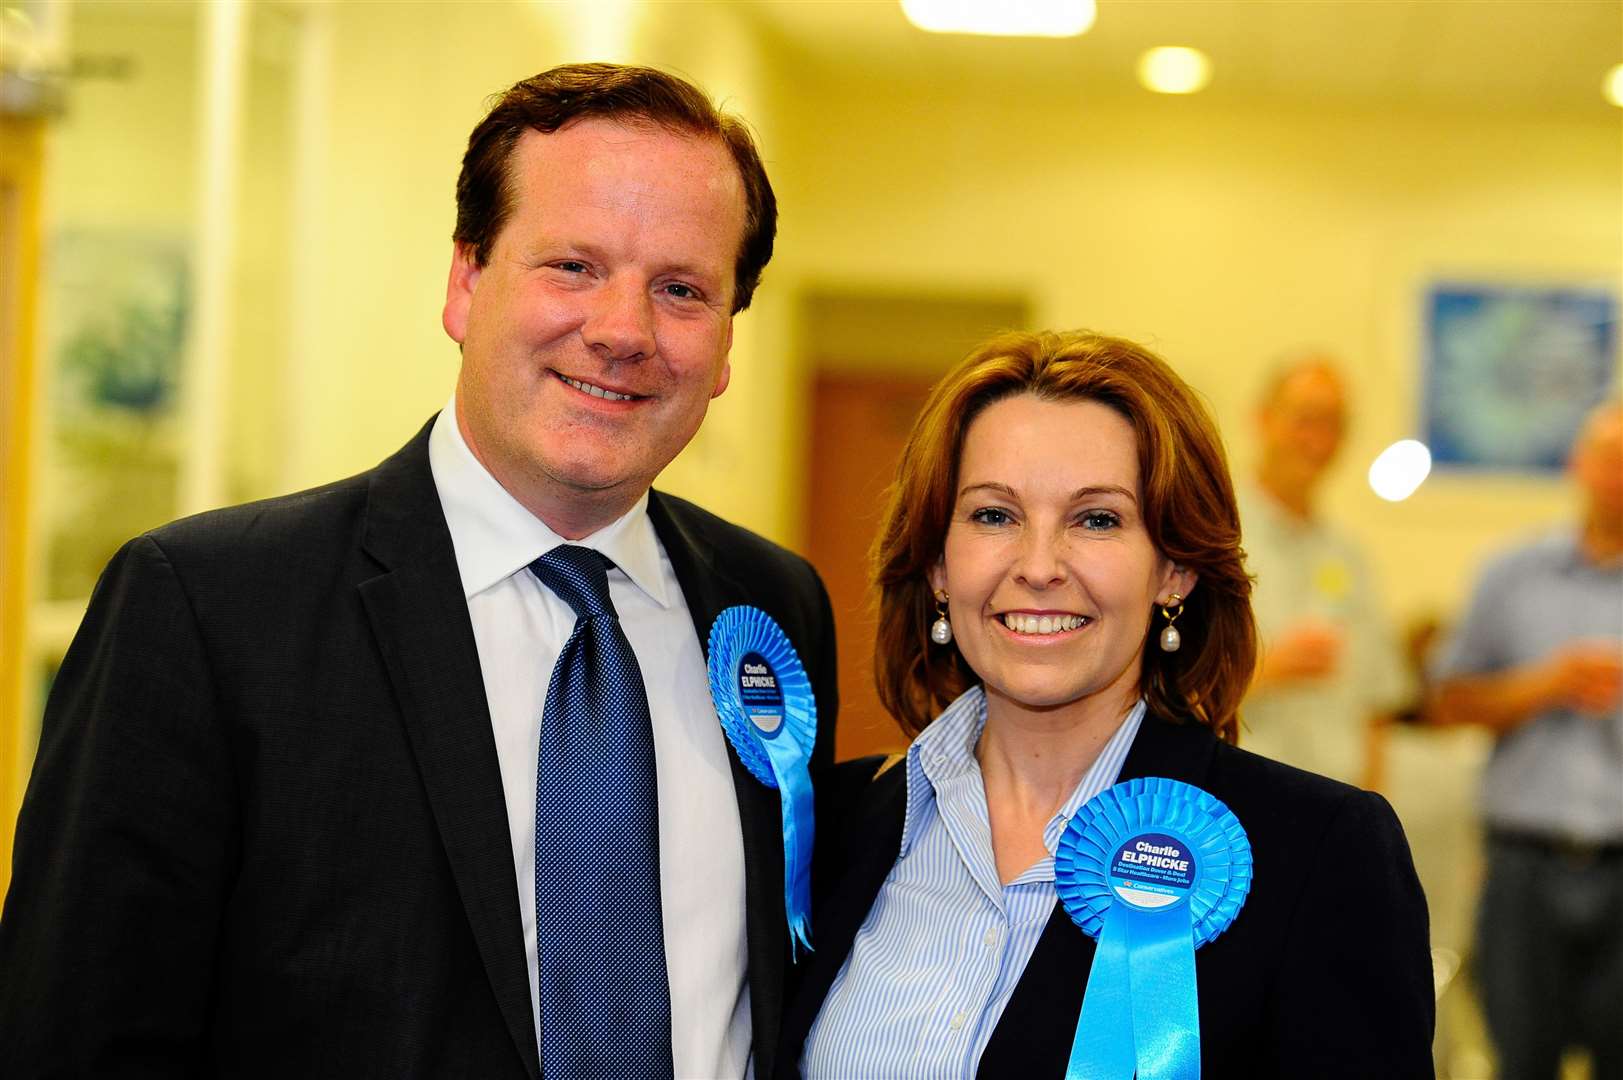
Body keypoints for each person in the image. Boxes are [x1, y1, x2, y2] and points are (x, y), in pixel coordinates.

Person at [0, 64, 837, 1079]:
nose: (623, 331)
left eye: (681, 289)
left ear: (726, 343)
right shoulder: (208, 612)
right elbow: (76, 1038)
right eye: (572, 266)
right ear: (465, 282)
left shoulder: (770, 612)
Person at [778, 330, 1433, 1079]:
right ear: (935, 562)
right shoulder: (826, 829)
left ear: (1175, 572)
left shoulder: (1319, 854)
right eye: (994, 515)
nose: (1037, 567)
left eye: (1097, 520)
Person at [1430, 400, 1623, 1080]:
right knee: (1522, 1058)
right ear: (1578, 465)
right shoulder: (1509, 574)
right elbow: (1447, 700)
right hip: (1524, 866)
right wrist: (1548, 684)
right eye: (1608, 459)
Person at [1239, 356, 1412, 787]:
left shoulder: (1350, 557)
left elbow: (1376, 706)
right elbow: (1162, 692)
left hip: (1334, 805)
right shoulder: (1211, 539)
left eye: (1334, 424)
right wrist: (1266, 669)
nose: (1317, 440)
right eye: (1305, 420)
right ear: (1262, 420)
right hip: (1232, 808)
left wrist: (1371, 815)